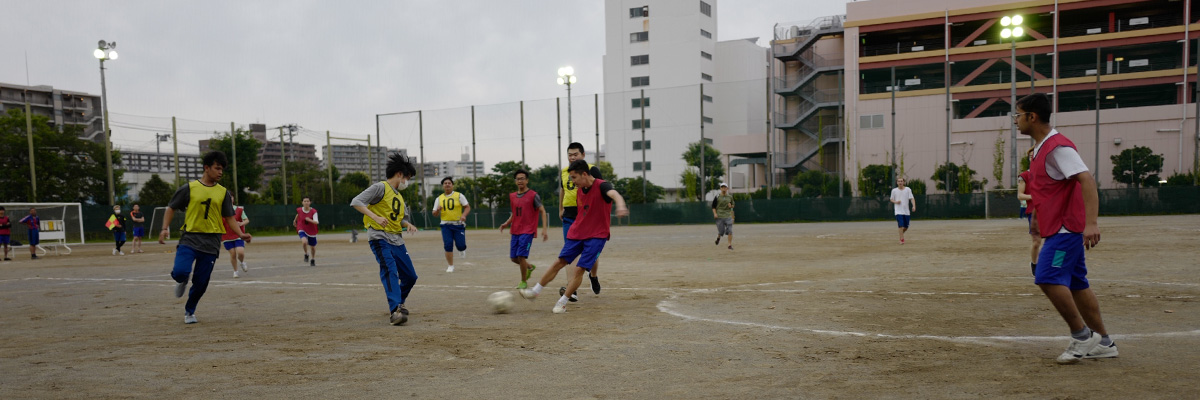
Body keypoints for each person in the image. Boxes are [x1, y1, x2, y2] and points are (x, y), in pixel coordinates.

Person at [1016, 92, 1116, 364]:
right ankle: (1105, 342)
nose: (1016, 121)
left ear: (1032, 117)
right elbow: (1048, 190)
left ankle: (1082, 336)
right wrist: (1036, 216)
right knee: (1077, 284)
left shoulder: (1058, 147)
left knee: (1047, 276)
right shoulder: (1040, 150)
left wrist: (1091, 223)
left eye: (1018, 115)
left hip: (1066, 230)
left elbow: (1086, 180)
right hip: (1057, 228)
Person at [520, 159, 629, 314]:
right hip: (578, 232)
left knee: (579, 269)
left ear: (584, 174)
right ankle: (535, 291)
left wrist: (621, 205)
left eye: (574, 177)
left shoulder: (602, 185)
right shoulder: (580, 190)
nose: (572, 181)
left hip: (597, 236)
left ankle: (562, 302)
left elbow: (614, 194)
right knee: (560, 261)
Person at [158, 151, 250, 324]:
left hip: (212, 242)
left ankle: (190, 311)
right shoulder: (189, 188)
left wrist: (241, 234)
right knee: (180, 271)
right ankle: (182, 279)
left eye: (222, 169)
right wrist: (164, 228)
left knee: (201, 283)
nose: (220, 172)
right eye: (217, 168)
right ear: (206, 168)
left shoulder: (223, 193)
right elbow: (171, 207)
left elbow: (230, 217)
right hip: (190, 238)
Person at [351, 152, 421, 326]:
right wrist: (375, 217)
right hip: (379, 237)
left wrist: (407, 224)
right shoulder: (380, 187)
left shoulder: (399, 197)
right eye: (407, 178)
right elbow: (356, 202)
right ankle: (395, 310)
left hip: (397, 239)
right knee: (390, 270)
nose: (407, 182)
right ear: (399, 174)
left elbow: (399, 219)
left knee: (411, 276)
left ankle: (399, 302)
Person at [559, 142, 605, 297]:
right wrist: (561, 208)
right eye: (570, 155)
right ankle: (571, 290)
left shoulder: (592, 170)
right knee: (569, 253)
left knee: (590, 252)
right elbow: (562, 189)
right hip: (570, 215)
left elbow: (600, 189)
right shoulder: (564, 172)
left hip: (587, 215)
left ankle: (593, 275)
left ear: (583, 155)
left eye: (575, 154)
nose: (572, 157)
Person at [498, 169, 549, 290]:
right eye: (518, 179)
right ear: (515, 181)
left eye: (522, 178)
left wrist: (544, 229)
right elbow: (514, 213)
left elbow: (542, 211)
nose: (520, 181)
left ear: (527, 180)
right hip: (515, 230)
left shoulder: (533, 195)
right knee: (514, 258)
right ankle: (530, 267)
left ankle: (523, 281)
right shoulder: (512, 196)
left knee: (521, 256)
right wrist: (506, 223)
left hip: (528, 230)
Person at [432, 177, 470, 272]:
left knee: (461, 245)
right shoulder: (439, 198)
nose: (447, 185)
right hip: (445, 225)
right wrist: (437, 210)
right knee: (448, 245)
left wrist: (464, 215)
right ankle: (450, 265)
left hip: (458, 224)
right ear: (443, 186)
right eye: (445, 183)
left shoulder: (459, 195)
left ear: (452, 185)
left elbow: (467, 207)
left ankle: (461, 250)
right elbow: (434, 214)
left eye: (449, 183)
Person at [1016, 169, 1042, 276]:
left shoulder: (1050, 172)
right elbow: (1020, 195)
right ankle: (1035, 264)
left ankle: (1055, 266)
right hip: (1034, 212)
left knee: (1057, 242)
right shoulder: (1025, 176)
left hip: (1051, 212)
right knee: (1037, 242)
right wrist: (1034, 197)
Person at [221, 199, 250, 278]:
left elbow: (247, 220)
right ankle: (235, 271)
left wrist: (241, 223)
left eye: (231, 196)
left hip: (238, 235)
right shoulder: (221, 210)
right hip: (226, 236)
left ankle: (242, 262)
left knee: (240, 252)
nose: (230, 198)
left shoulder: (239, 210)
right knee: (233, 254)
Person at [293, 197, 319, 266]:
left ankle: (313, 259)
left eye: (308, 201)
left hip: (311, 230)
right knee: (304, 242)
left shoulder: (313, 211)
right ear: (302, 202)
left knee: (312, 247)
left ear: (310, 202)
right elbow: (298, 215)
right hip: (302, 227)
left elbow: (316, 222)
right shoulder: (299, 210)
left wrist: (309, 220)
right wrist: (295, 220)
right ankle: (306, 254)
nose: (306, 202)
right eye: (305, 201)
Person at [890, 177, 916, 244]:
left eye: (901, 181)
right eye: (899, 181)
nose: (900, 182)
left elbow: (912, 198)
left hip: (906, 211)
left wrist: (913, 206)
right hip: (898, 211)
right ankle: (902, 240)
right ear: (897, 182)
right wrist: (896, 202)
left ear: (903, 182)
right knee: (900, 225)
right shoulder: (894, 190)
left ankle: (900, 234)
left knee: (906, 227)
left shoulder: (908, 189)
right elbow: (891, 199)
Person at [711, 182, 735, 250]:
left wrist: (731, 206)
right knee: (721, 231)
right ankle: (718, 237)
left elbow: (733, 205)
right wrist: (715, 214)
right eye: (722, 187)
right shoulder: (717, 197)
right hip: (719, 216)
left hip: (728, 215)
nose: (723, 189)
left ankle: (729, 245)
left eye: (725, 187)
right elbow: (713, 206)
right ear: (720, 188)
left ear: (727, 188)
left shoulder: (730, 197)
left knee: (730, 230)